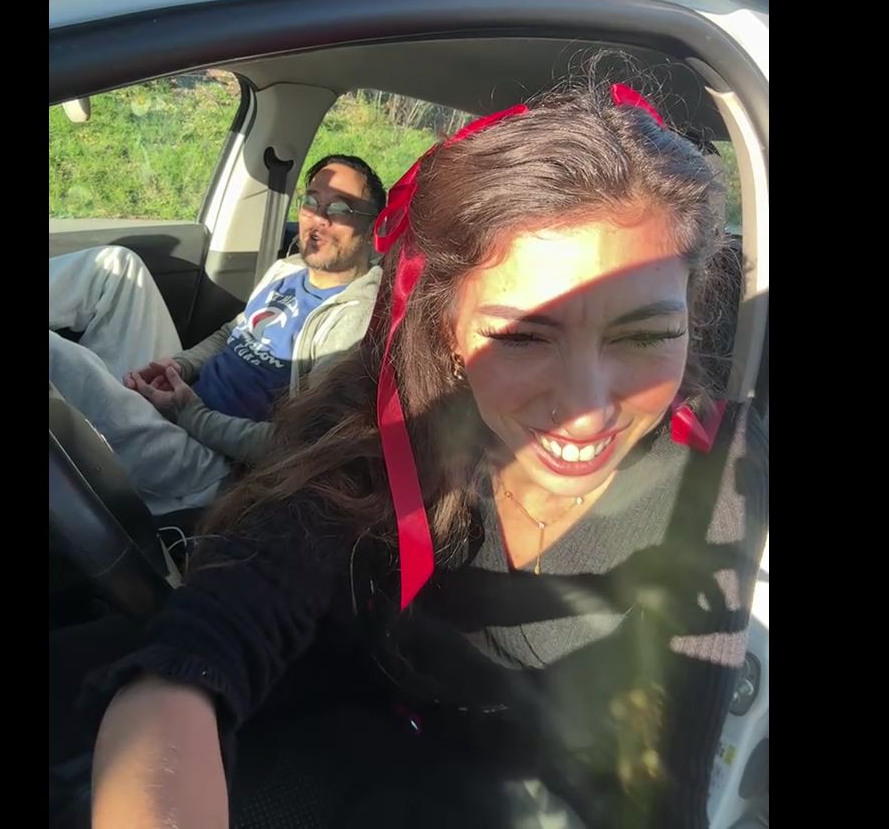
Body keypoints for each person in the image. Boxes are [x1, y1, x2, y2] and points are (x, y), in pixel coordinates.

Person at [85, 84, 768, 828]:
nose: (588, 404)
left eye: (644, 335)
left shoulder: (718, 473)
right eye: (523, 336)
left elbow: (666, 784)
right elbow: (205, 643)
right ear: (446, 326)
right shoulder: (375, 429)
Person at [48, 155, 385, 516]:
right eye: (312, 201)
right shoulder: (287, 270)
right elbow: (231, 333)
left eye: (340, 208)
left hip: (212, 465)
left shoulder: (354, 319)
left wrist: (190, 414)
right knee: (116, 267)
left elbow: (298, 442)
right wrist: (179, 365)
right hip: (182, 403)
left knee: (61, 357)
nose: (319, 217)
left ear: (372, 228)